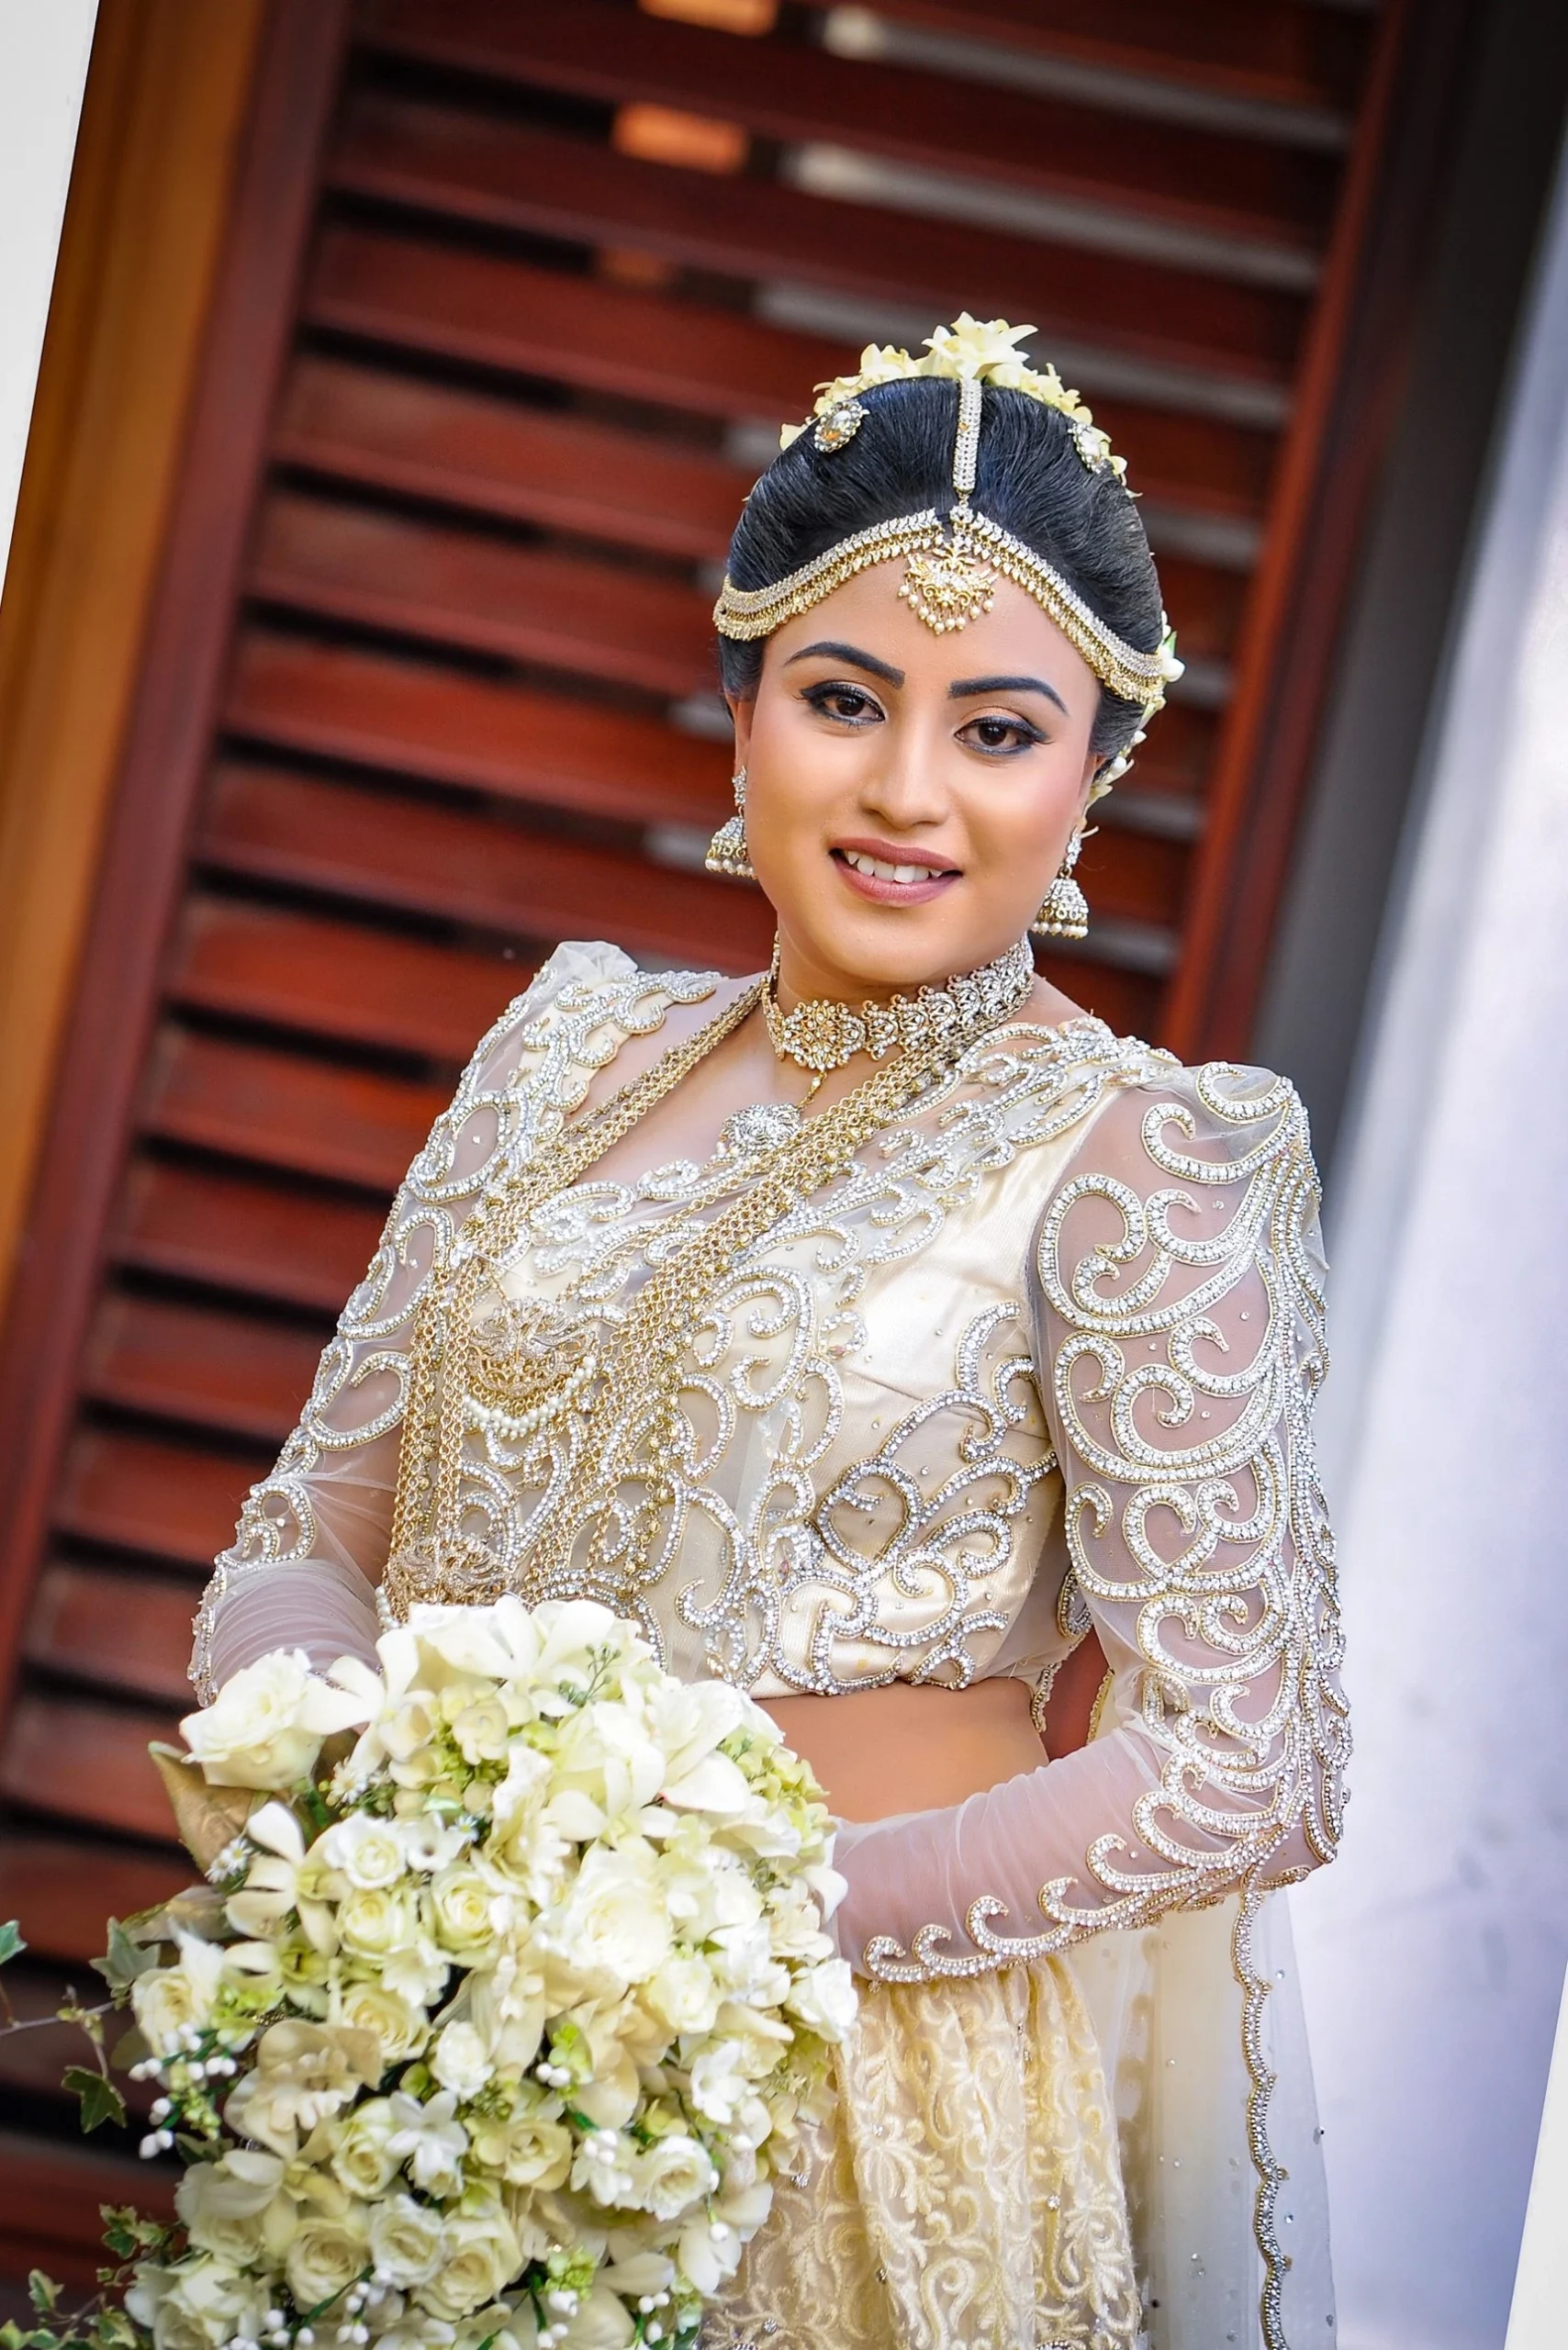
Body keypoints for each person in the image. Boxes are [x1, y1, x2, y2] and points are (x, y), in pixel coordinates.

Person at [192, 318, 1349, 2350]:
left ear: (1097, 767)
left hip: (842, 2106)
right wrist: (389, 1837)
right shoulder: (559, 1055)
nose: (907, 790)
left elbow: (1243, 1763)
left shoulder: (1132, 1160)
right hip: (434, 2031)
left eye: (997, 728)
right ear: (740, 708)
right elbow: (306, 1528)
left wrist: (736, 1922)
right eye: (841, 697)